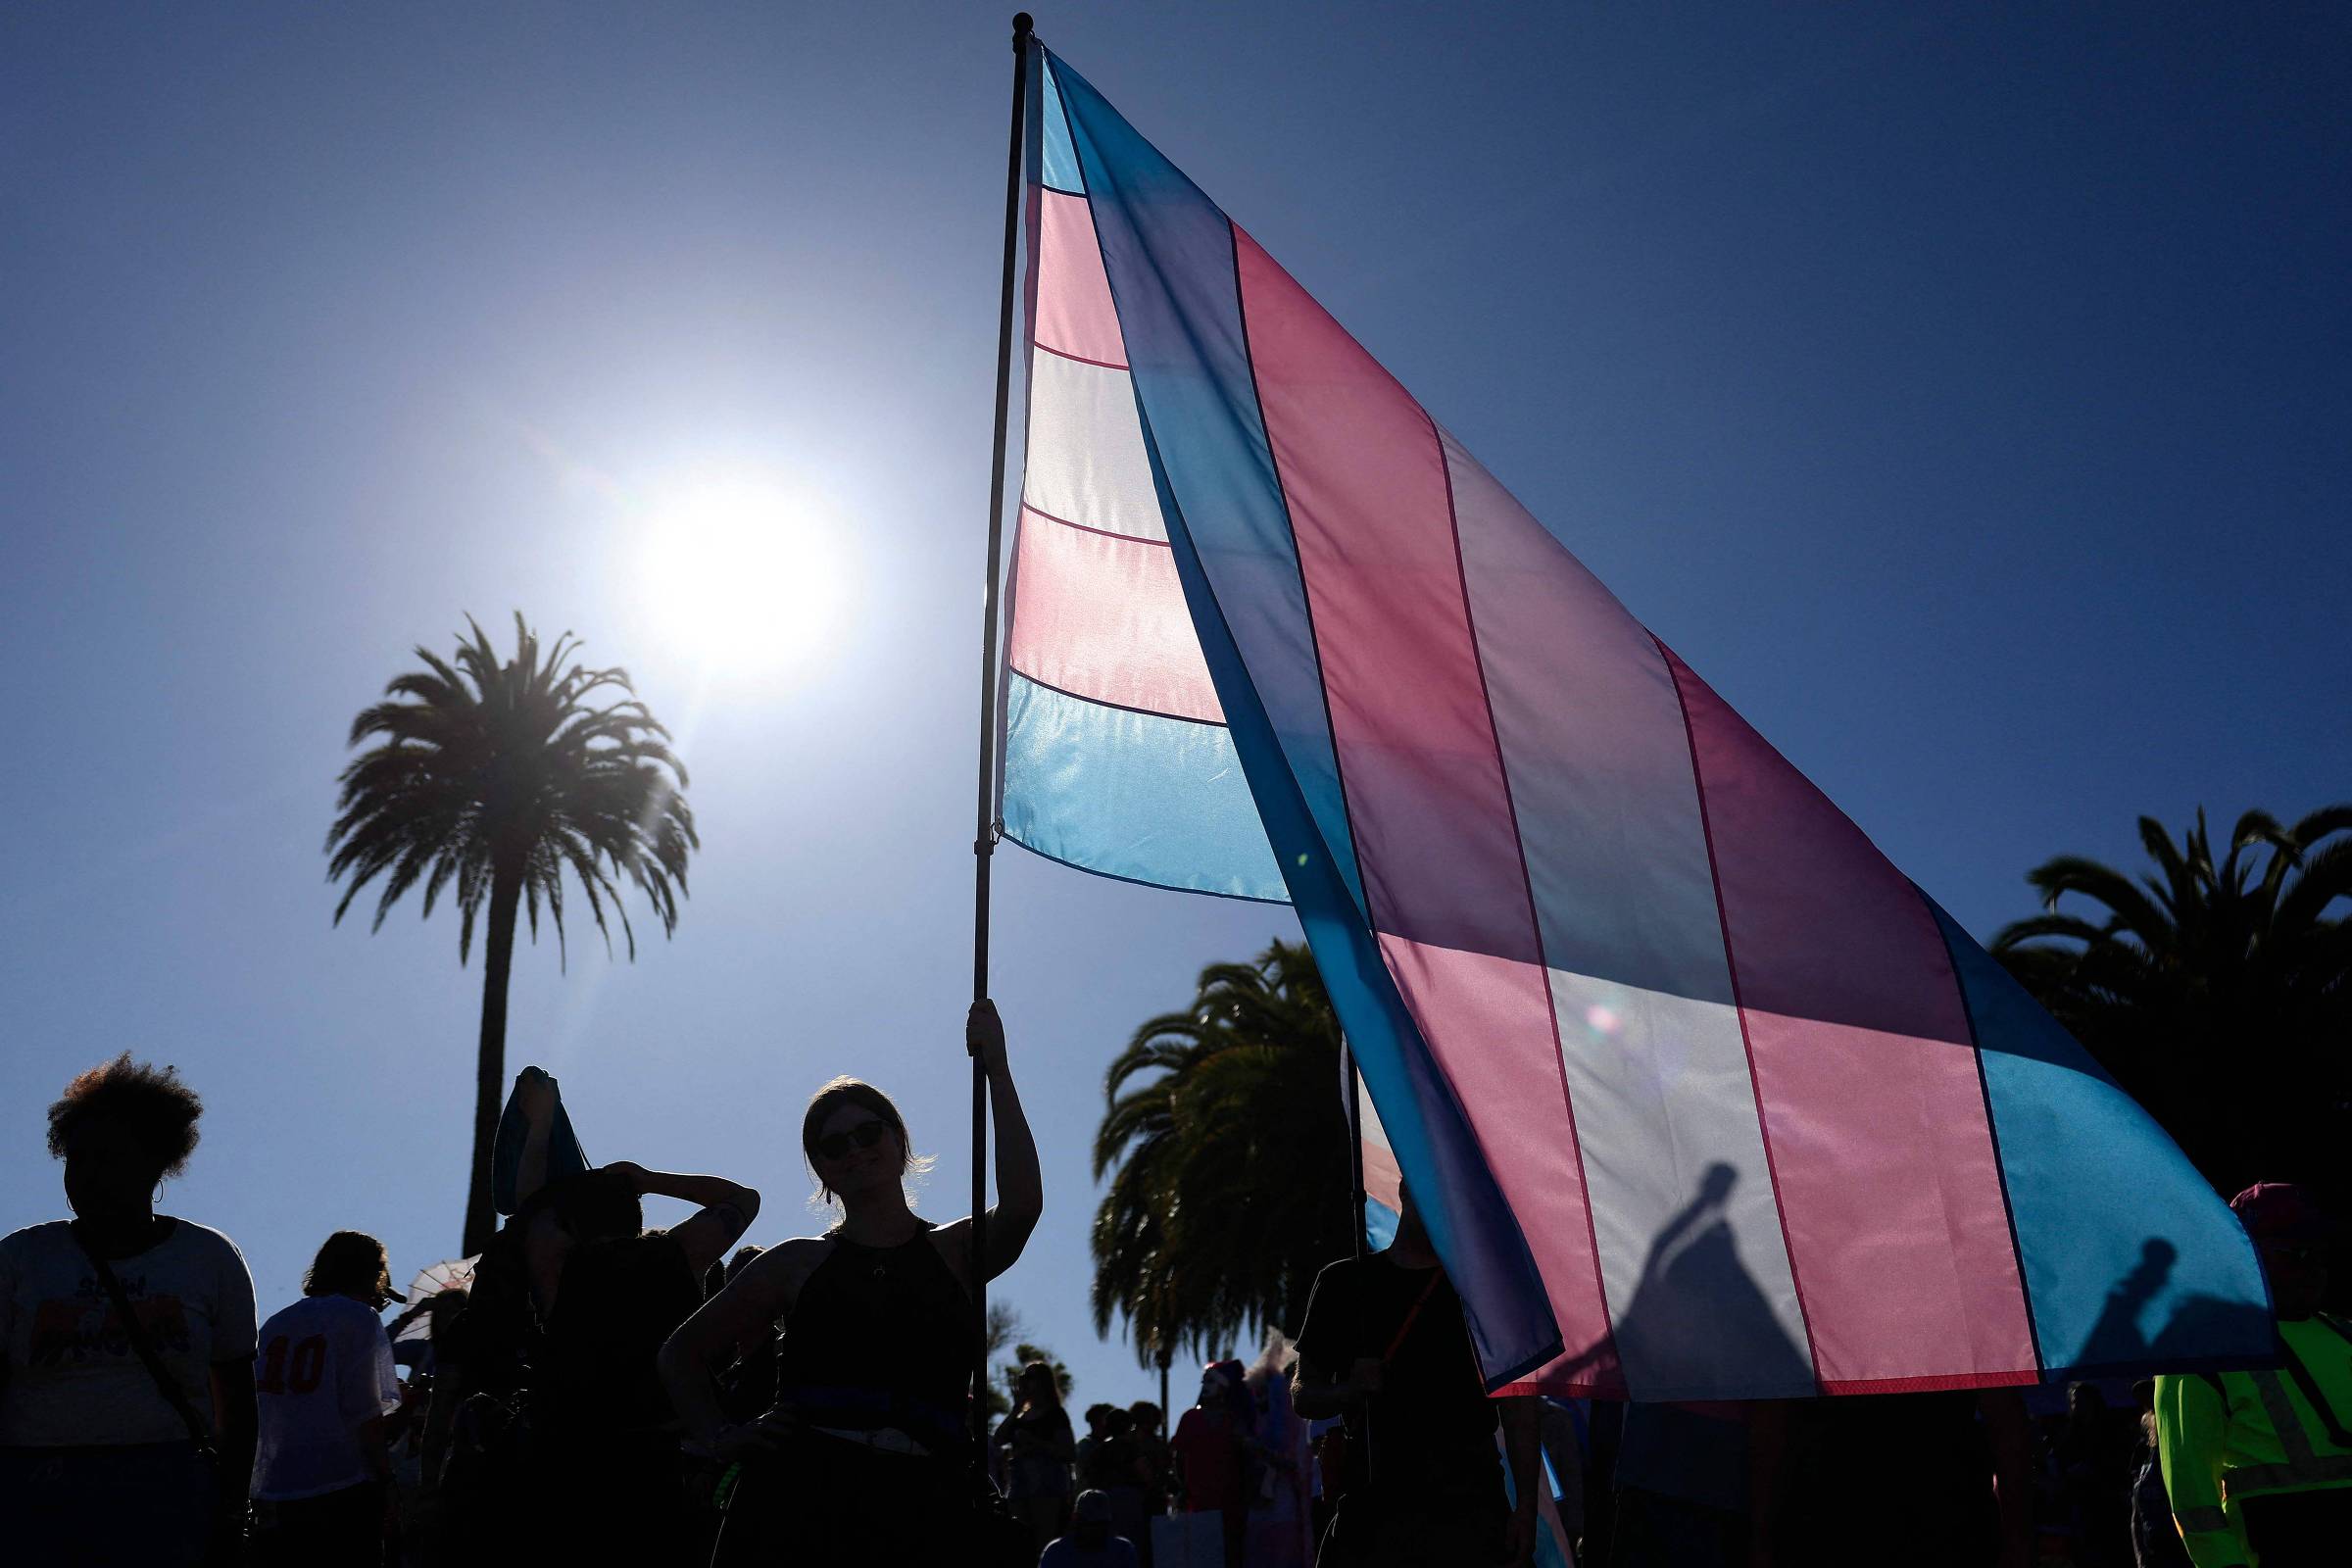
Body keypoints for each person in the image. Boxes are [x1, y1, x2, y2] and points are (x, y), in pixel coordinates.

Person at [659, 1000, 1044, 1562]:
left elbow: (1023, 1204)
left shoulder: (955, 1251)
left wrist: (998, 1071)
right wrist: (719, 1435)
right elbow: (679, 1355)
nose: (855, 1151)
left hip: (925, 1505)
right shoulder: (797, 1263)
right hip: (798, 1503)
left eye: (867, 1133)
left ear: (899, 1141)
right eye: (833, 1145)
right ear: (820, 1169)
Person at [0, 1054, 258, 1567]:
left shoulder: (209, 1259)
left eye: (109, 1158)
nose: (88, 1176)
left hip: (168, 1494)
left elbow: (237, 1405)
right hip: (36, 1491)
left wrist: (230, 1508)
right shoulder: (20, 1259)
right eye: (77, 1158)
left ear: (156, 1163)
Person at [519, 1135, 760, 1562]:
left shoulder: (556, 1268)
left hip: (569, 1464)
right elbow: (743, 1198)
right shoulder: (677, 1254)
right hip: (660, 1464)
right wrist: (647, 1179)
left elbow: (532, 1210)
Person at [1292, 1185, 1542, 1567]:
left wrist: (1526, 1506)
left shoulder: (1486, 1293)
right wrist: (1348, 1389)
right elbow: (1304, 1394)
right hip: (1373, 1515)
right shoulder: (1343, 1283)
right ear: (1406, 1189)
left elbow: (1519, 1406)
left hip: (1468, 1514)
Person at [2156, 1181, 2352, 1567]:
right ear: (2243, 1258)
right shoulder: (2198, 1353)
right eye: (2295, 1253)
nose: (2313, 1265)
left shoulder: (2344, 1334)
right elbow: (2193, 1495)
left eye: (2320, 1252)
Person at [248, 1231, 405, 1566]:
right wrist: (386, 1479)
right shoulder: (358, 1318)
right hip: (340, 1483)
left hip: (278, 1486)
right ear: (371, 1273)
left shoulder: (277, 1324)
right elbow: (365, 1412)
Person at [1172, 1361, 1252, 1564]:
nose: (1206, 1386)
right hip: (1197, 1500)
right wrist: (1182, 1488)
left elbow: (1244, 1459)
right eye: (1204, 1381)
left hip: (1230, 1502)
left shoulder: (1233, 1420)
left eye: (1211, 1381)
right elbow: (1179, 1457)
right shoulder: (1190, 1417)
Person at [999, 1358, 1079, 1554]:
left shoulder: (1055, 1414)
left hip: (1047, 1488)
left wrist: (1036, 1444)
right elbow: (998, 1439)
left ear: (1043, 1383)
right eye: (1023, 1376)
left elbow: (1069, 1453)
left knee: (1044, 1543)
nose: (1024, 1380)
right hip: (1020, 1487)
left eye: (1030, 1377)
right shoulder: (1020, 1417)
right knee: (1020, 1541)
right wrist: (1015, 1409)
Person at [1042, 1487, 1141, 1568]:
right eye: (1091, 1524)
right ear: (1076, 1520)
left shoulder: (1123, 1551)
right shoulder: (1056, 1553)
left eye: (1101, 1524)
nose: (1097, 1530)